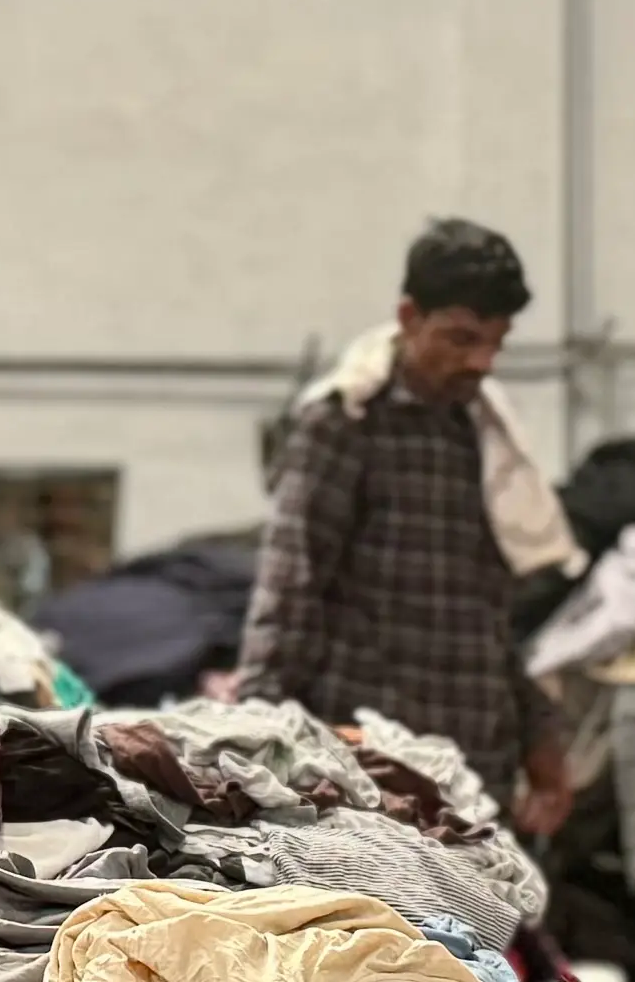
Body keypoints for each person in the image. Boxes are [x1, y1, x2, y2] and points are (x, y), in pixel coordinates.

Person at [241, 215, 577, 833]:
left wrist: (543, 743)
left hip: (478, 771)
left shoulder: (485, 438)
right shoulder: (343, 427)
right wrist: (254, 738)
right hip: (368, 775)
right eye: (460, 337)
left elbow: (500, 621)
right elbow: (290, 591)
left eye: (495, 342)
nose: (481, 360)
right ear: (408, 317)